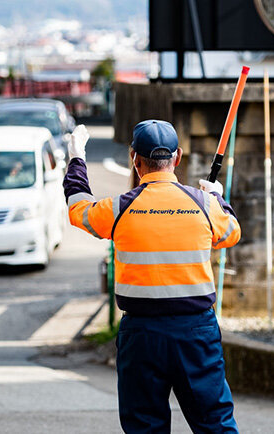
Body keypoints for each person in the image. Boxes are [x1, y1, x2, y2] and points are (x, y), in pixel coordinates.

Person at [63, 121, 240, 433]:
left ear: (135, 158)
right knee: (215, 423)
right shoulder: (203, 204)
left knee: (144, 427)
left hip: (141, 332)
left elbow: (78, 208)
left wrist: (77, 157)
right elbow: (231, 232)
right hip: (196, 331)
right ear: (178, 157)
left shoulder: (120, 208)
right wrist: (218, 197)